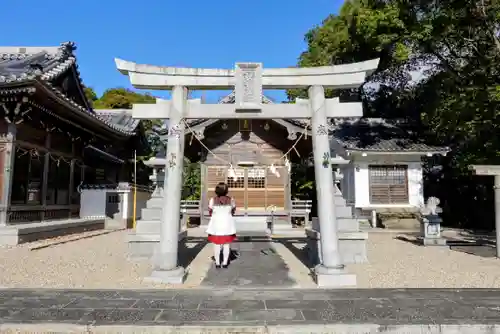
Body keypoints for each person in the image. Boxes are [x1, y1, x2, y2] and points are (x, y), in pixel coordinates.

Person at [206, 182, 237, 269]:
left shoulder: (213, 200)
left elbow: (210, 210)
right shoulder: (231, 200)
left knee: (216, 245)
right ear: (226, 191)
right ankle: (225, 262)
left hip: (216, 225)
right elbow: (233, 209)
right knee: (226, 245)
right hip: (227, 225)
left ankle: (217, 262)